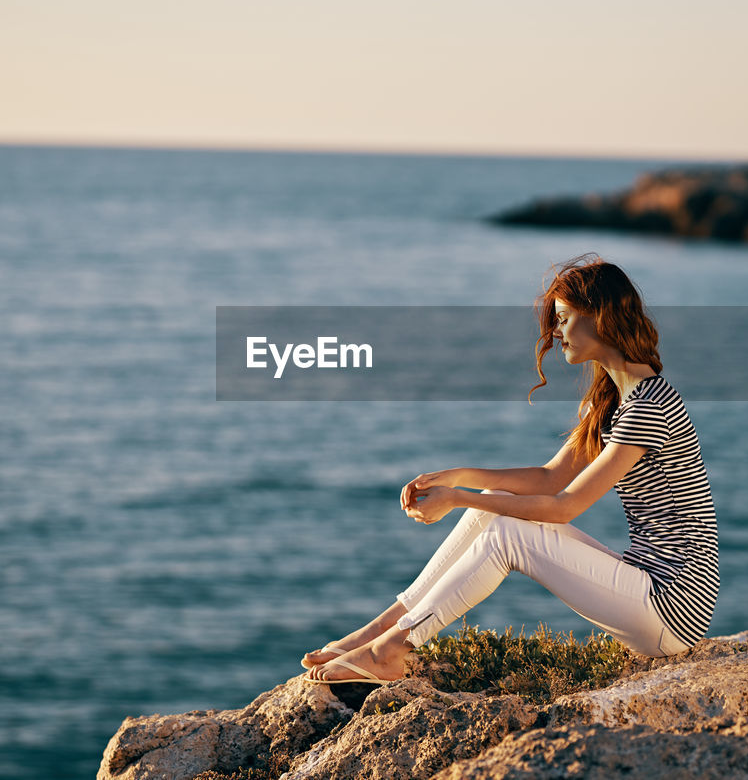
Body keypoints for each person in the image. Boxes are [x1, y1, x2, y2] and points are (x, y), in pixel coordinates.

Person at [303, 254, 719, 686]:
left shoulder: (647, 407)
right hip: (646, 583)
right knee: (494, 507)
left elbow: (564, 507)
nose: (556, 333)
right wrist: (459, 478)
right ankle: (379, 631)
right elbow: (548, 479)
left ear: (601, 317)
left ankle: (388, 651)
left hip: (671, 608)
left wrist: (455, 500)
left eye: (564, 318)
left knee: (507, 536)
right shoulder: (613, 400)